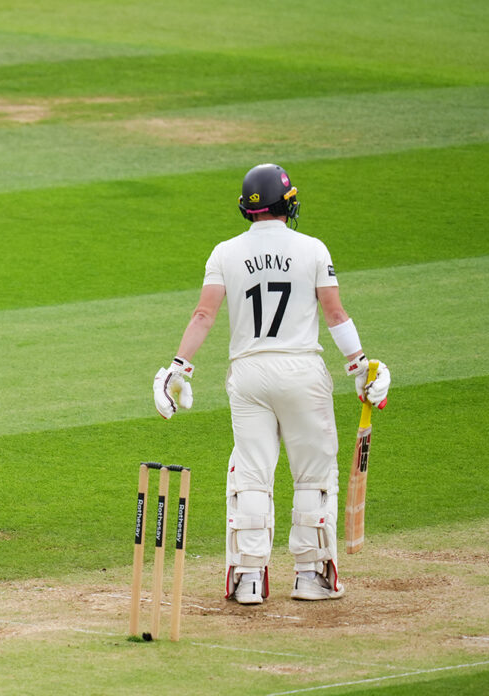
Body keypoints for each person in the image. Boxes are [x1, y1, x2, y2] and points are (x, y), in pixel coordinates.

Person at [153, 163, 390, 604]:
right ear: (287, 204)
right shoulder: (312, 248)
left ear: (247, 208)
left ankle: (248, 579)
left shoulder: (224, 252)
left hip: (248, 375)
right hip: (301, 371)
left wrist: (178, 367)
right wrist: (360, 365)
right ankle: (312, 576)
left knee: (252, 472)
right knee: (313, 474)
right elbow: (335, 313)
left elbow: (203, 314)